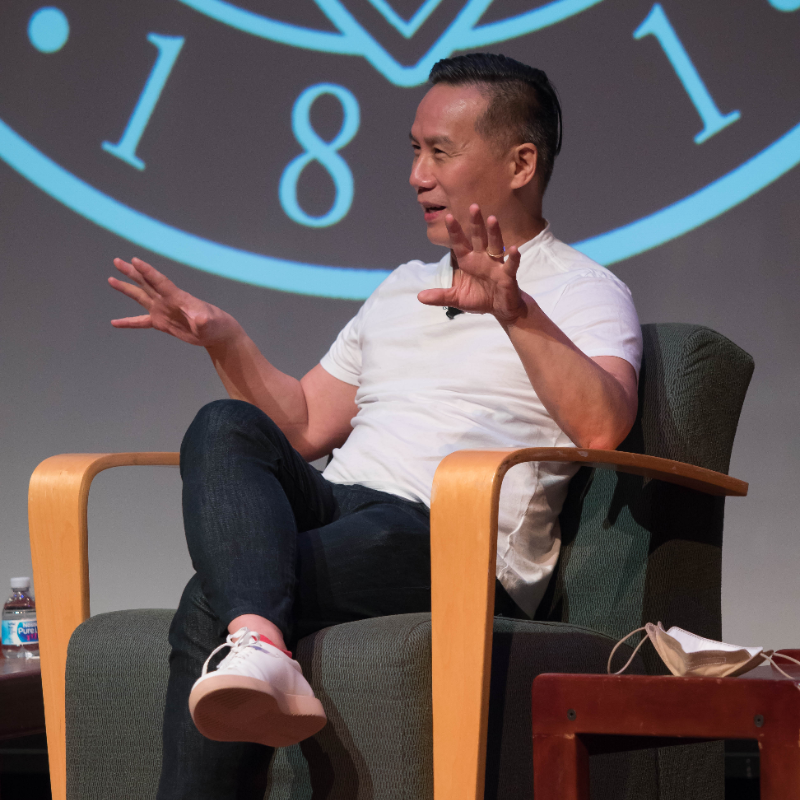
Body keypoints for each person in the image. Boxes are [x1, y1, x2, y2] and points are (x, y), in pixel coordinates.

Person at [109, 53, 642, 799]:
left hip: (451, 537)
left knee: (213, 595)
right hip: (346, 503)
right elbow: (299, 427)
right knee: (226, 425)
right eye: (414, 151)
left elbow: (603, 424)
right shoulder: (401, 287)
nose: (417, 175)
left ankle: (251, 639)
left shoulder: (585, 291)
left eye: (440, 152)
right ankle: (261, 644)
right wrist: (225, 341)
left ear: (520, 163)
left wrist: (514, 312)